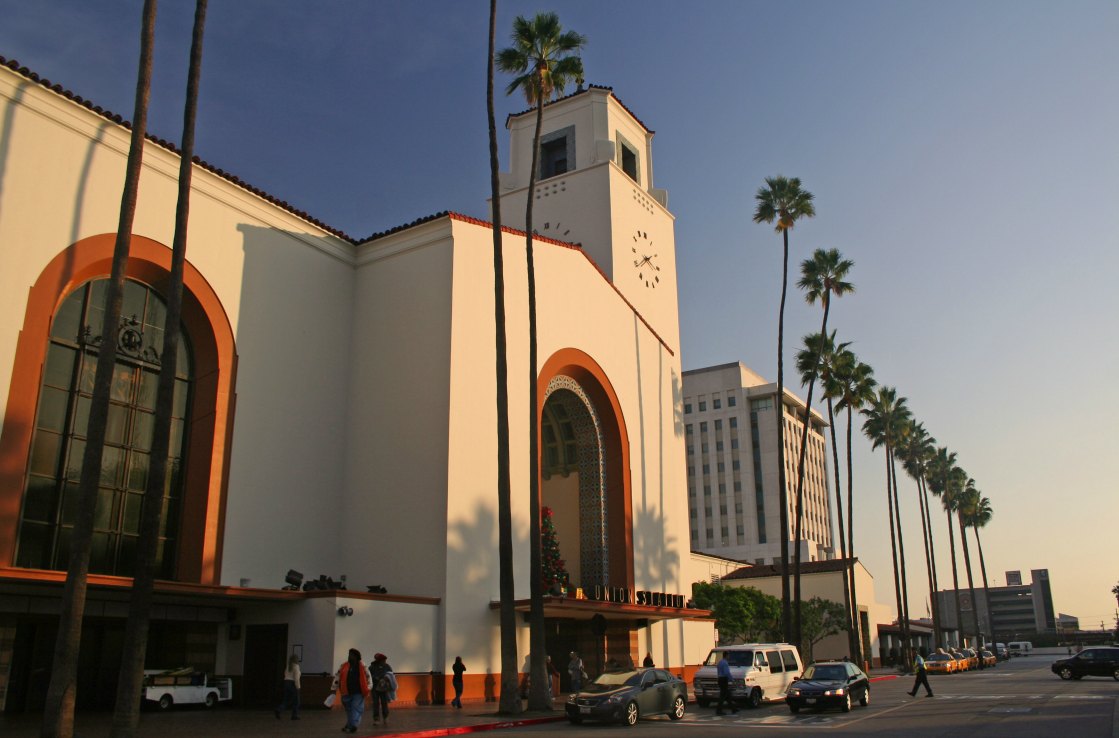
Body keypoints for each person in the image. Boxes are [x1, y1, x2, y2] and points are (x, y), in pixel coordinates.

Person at [335, 648, 371, 734]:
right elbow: (337, 677)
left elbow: (368, 677)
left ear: (356, 656)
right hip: (346, 692)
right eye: (349, 655)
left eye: (351, 655)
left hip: (358, 692)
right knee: (349, 710)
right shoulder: (343, 666)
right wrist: (334, 689)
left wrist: (368, 688)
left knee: (356, 708)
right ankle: (349, 724)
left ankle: (354, 725)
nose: (349, 656)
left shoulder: (362, 666)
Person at [370, 652, 398, 725]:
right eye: (383, 660)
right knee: (375, 703)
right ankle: (376, 719)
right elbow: (369, 676)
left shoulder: (387, 666)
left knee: (384, 703)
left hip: (384, 688)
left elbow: (391, 675)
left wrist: (386, 678)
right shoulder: (372, 667)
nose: (384, 662)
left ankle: (385, 717)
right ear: (379, 660)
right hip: (375, 688)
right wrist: (376, 678)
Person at [275, 652, 301, 720]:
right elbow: (296, 677)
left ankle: (279, 709)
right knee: (296, 701)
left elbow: (285, 674)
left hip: (286, 683)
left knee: (286, 700)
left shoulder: (288, 666)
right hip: (292, 684)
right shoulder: (296, 666)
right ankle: (294, 715)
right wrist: (298, 687)